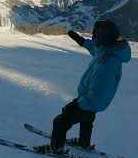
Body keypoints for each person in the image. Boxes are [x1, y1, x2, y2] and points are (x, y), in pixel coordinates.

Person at [34, 20, 132, 154]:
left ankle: (56, 148)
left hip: (90, 100)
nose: (94, 38)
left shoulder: (107, 64)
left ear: (105, 38)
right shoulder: (108, 50)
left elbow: (98, 95)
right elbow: (95, 48)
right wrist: (81, 41)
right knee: (87, 119)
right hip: (91, 101)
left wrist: (77, 104)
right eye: (94, 35)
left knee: (60, 121)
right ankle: (83, 142)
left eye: (97, 36)